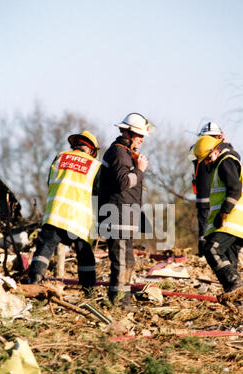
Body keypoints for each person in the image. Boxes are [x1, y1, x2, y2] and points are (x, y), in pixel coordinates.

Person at [28, 130, 101, 292]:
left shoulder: (60, 157)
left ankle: (33, 282)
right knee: (85, 255)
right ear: (92, 150)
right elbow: (98, 193)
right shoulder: (95, 165)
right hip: (79, 220)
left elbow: (50, 181)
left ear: (75, 145)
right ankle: (88, 290)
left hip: (55, 213)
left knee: (44, 248)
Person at [98, 113, 153, 308]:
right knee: (121, 262)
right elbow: (123, 183)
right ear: (127, 133)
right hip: (117, 217)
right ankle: (120, 304)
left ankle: (122, 301)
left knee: (127, 262)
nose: (142, 139)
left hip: (124, 217)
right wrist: (139, 170)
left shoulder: (124, 153)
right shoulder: (119, 153)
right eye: (139, 135)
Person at [193, 135, 243, 294]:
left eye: (208, 158)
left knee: (212, 249)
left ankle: (233, 284)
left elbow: (235, 189)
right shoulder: (221, 164)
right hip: (235, 224)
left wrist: (224, 212)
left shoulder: (226, 161)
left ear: (215, 151)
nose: (207, 162)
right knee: (230, 263)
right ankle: (236, 300)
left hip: (230, 221)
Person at [189, 122, 226, 256]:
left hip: (206, 195)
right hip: (210, 196)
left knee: (205, 227)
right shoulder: (216, 150)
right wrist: (222, 142)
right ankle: (208, 253)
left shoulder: (196, 150)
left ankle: (205, 253)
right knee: (210, 226)